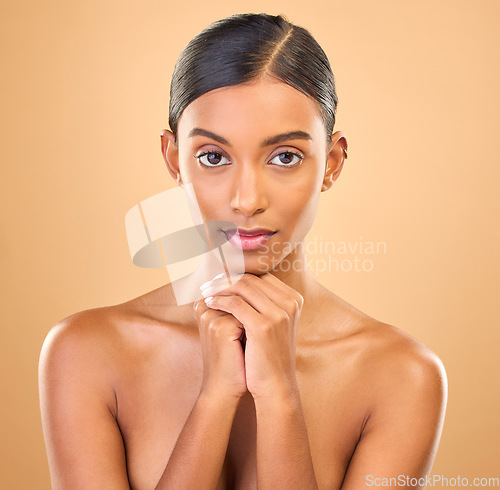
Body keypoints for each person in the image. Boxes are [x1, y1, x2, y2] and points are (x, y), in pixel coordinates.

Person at [38, 12, 448, 490]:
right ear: (174, 159)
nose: (247, 199)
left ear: (332, 164)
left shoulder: (402, 376)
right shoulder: (86, 353)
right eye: (214, 157)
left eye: (285, 157)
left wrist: (280, 396)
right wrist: (215, 396)